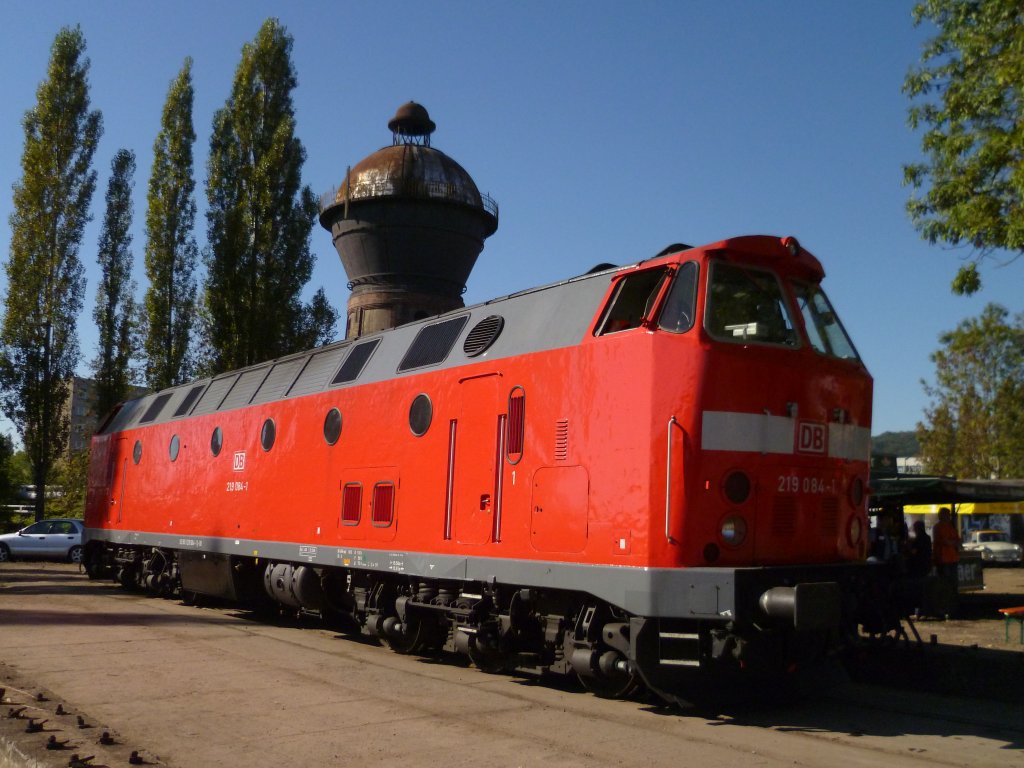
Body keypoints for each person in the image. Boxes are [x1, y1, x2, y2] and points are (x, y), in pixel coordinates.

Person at [932, 507, 960, 577]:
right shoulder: (938, 527)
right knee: (945, 580)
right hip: (943, 559)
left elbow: (958, 540)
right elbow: (944, 541)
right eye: (947, 514)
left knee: (953, 580)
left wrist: (952, 542)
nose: (949, 516)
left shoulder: (951, 527)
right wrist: (953, 542)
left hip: (953, 558)